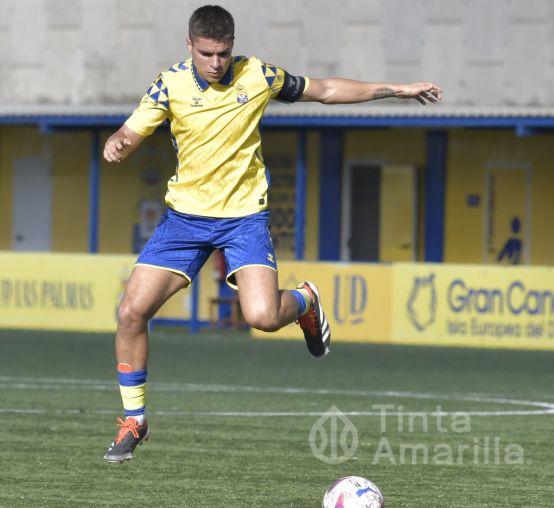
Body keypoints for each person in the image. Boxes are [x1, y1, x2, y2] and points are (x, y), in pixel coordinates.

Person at [102, 4, 443, 463]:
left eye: (223, 53)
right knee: (129, 313)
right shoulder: (170, 84)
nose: (216, 63)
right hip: (184, 221)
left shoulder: (257, 75)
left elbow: (323, 90)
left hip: (244, 217)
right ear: (190, 46)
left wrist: (395, 89)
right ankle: (134, 420)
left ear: (233, 47)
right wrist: (117, 143)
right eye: (207, 53)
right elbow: (130, 130)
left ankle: (305, 300)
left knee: (262, 317)